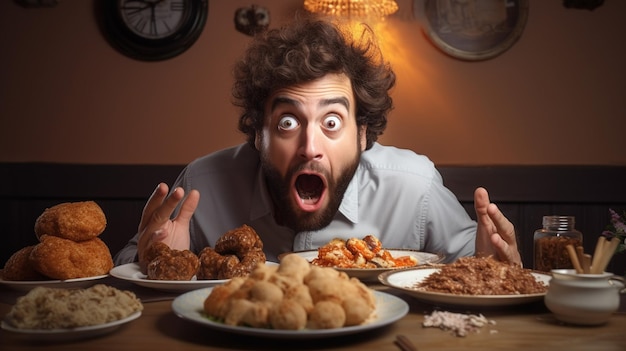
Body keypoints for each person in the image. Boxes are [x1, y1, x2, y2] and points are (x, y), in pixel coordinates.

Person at [114, 15, 522, 268]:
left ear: (363, 135)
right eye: (288, 122)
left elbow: (482, 262)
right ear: (259, 134)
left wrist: (498, 262)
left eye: (331, 122)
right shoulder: (202, 183)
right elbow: (131, 262)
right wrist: (154, 262)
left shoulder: (414, 186)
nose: (310, 146)